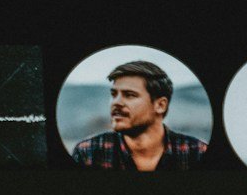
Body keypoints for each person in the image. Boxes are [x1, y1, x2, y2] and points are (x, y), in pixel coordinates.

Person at [70, 59, 210, 171]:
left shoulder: (196, 152)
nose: (116, 102)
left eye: (129, 95)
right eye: (113, 94)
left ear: (160, 105)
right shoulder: (88, 153)